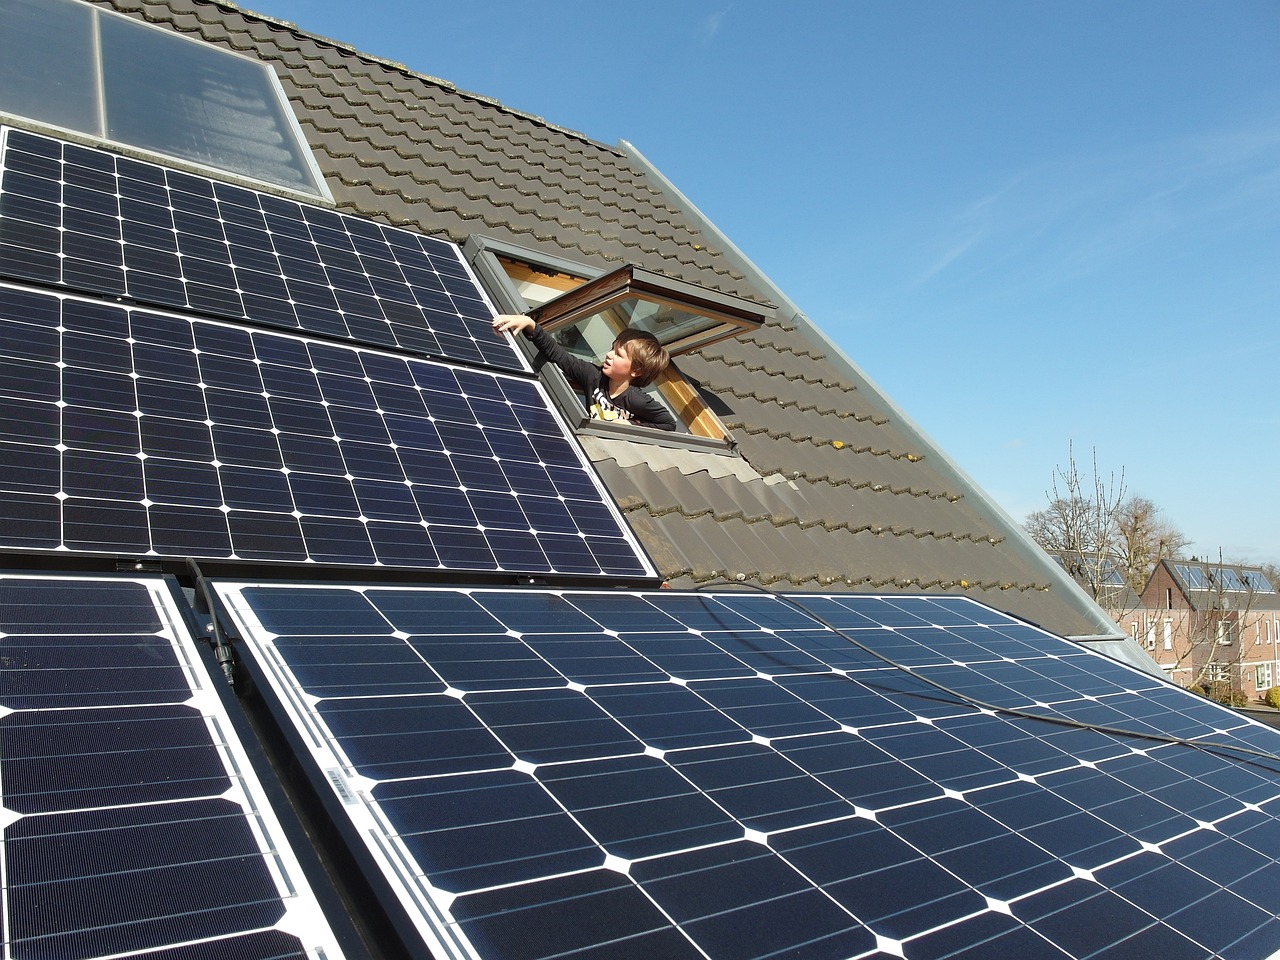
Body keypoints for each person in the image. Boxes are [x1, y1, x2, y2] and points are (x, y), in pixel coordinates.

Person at [492, 314, 677, 431]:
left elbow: (669, 424)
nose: (609, 355)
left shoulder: (637, 400)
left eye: (618, 354)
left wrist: (629, 425)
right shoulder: (592, 376)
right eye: (612, 348)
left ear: (636, 370)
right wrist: (530, 325)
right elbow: (560, 356)